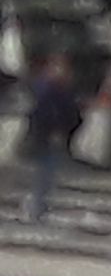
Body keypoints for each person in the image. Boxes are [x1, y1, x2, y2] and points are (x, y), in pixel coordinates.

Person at [22, 51, 82, 224]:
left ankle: (40, 207)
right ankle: (38, 209)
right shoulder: (49, 89)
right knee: (44, 173)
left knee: (47, 173)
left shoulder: (57, 88)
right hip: (47, 136)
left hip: (50, 135)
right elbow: (45, 113)